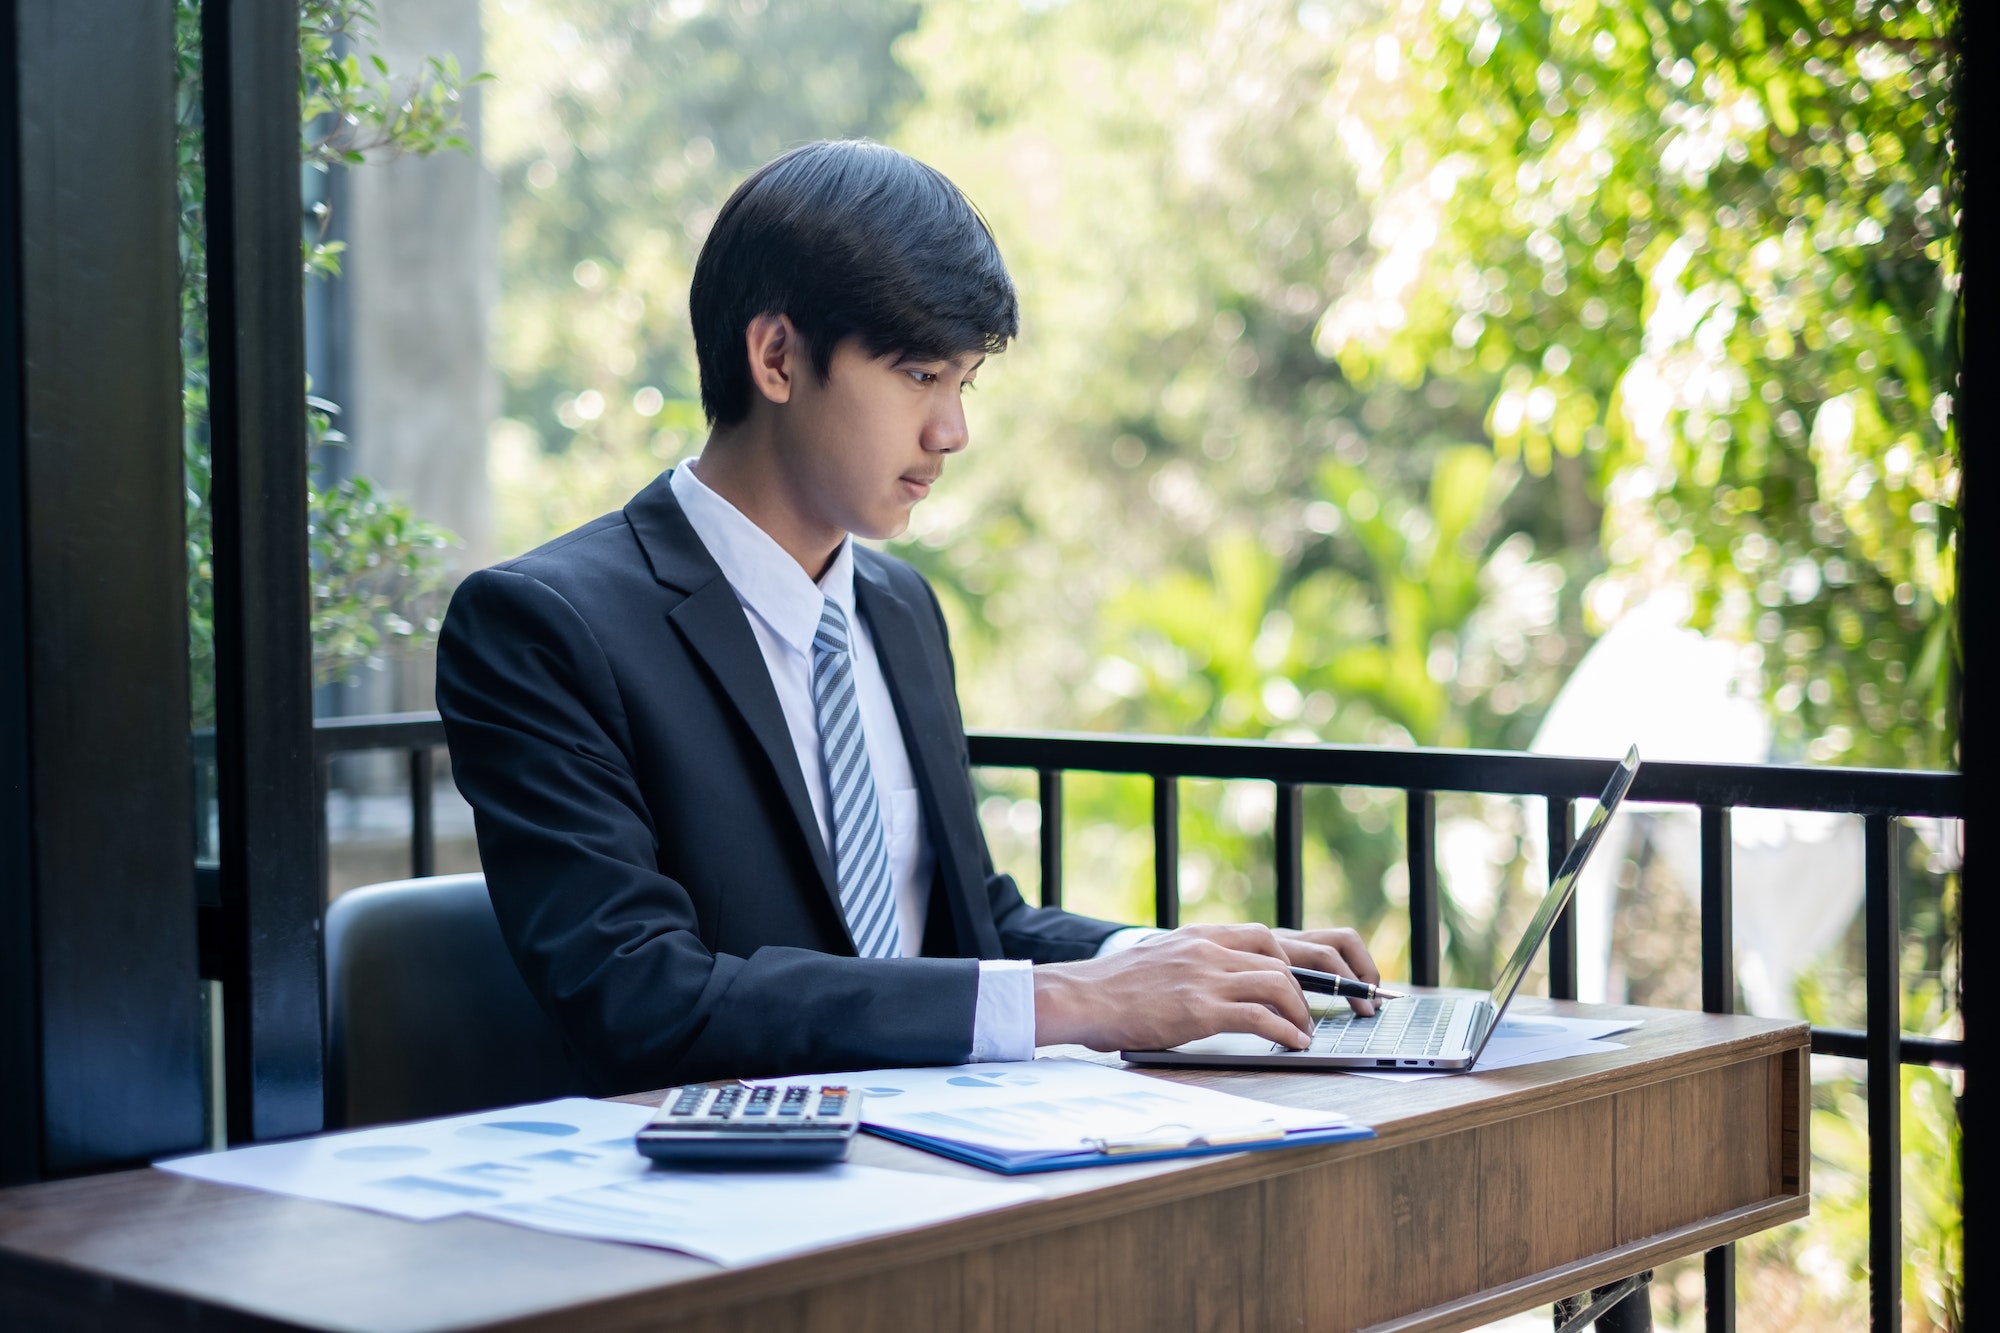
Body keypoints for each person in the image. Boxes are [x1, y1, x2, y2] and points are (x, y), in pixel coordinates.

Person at [437, 140, 1380, 1093]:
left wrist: (1174, 959)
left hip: (943, 1158)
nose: (952, 432)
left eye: (963, 383)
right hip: (722, 1193)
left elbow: (964, 919)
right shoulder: (543, 628)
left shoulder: (898, 609)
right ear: (776, 357)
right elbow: (638, 996)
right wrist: (1079, 1000)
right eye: (920, 376)